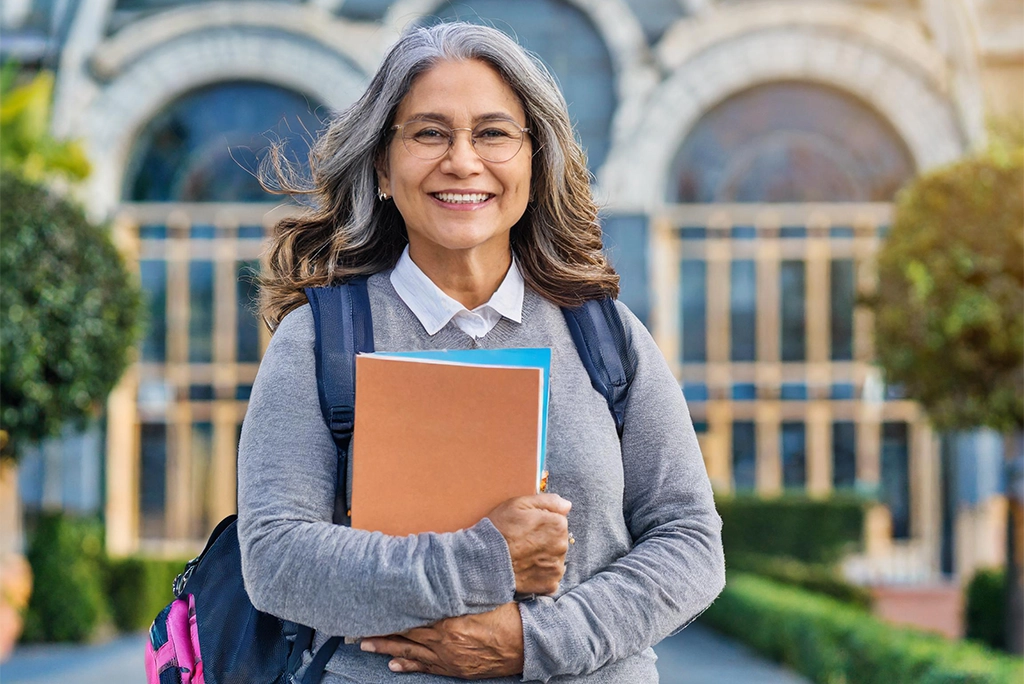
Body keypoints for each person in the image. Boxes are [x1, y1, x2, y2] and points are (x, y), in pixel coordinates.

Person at [237, 21, 725, 683]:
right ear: (383, 163)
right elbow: (278, 562)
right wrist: (487, 560)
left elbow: (690, 541)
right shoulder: (319, 341)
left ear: (532, 159)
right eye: (430, 133)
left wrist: (532, 642)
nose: (462, 161)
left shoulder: (606, 335)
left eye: (493, 133)